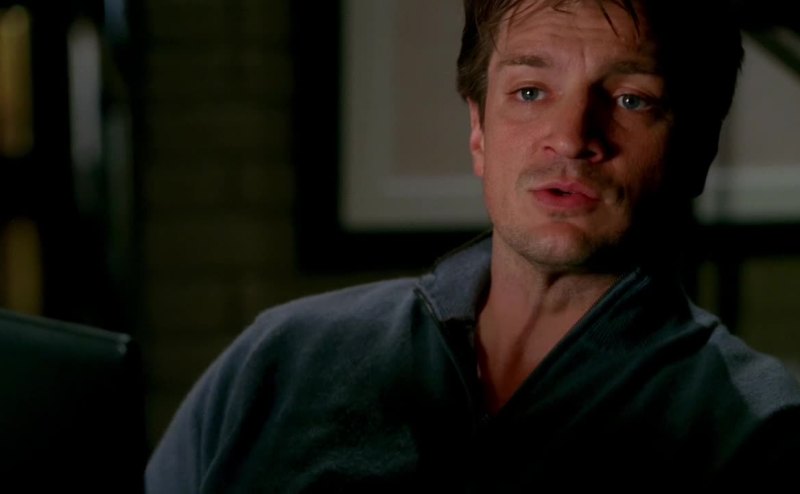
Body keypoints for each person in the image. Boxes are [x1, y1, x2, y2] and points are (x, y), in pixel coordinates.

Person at [145, 0, 800, 491]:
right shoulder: (283, 360)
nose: (571, 137)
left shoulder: (758, 432)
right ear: (479, 131)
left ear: (697, 150)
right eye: (530, 92)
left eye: (631, 99)